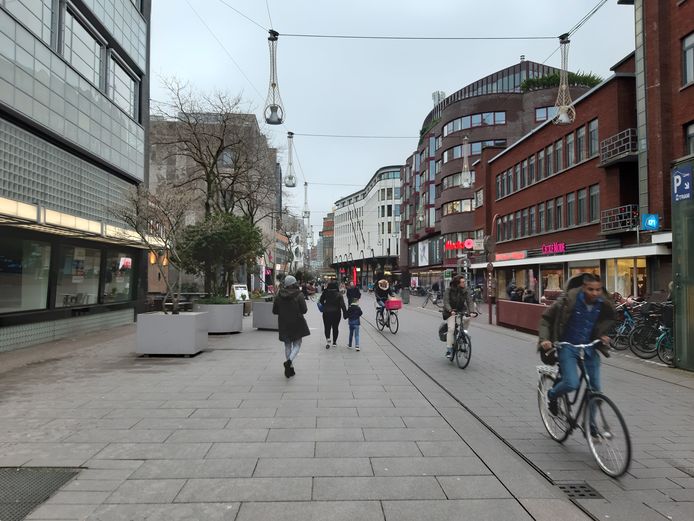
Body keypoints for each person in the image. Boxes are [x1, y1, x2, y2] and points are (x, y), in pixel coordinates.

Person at [538, 273, 615, 418]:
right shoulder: (567, 300)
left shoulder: (603, 303)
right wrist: (545, 339)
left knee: (596, 391)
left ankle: (592, 429)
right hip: (567, 346)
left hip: (589, 347)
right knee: (572, 383)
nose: (595, 293)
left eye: (598, 290)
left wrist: (602, 335)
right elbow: (546, 319)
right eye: (590, 290)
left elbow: (606, 320)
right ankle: (552, 394)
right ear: (583, 288)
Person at [272, 275, 310, 378]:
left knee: (287, 345)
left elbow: (275, 311)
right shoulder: (299, 294)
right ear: (294, 283)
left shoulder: (279, 295)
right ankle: (289, 362)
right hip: (297, 322)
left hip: (284, 323)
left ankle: (289, 369)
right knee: (297, 344)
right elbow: (304, 310)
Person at [442, 275, 473, 359]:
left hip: (461, 310)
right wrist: (450, 310)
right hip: (450, 312)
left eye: (464, 282)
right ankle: (449, 349)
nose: (464, 283)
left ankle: (464, 333)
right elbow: (446, 301)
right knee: (451, 329)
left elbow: (469, 301)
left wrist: (472, 312)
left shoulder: (465, 290)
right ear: (457, 283)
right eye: (463, 282)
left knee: (467, 319)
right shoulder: (449, 290)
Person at [319, 281, 347, 348]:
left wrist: (325, 305)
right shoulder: (339, 294)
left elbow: (321, 301)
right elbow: (343, 305)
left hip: (326, 312)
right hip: (336, 313)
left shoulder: (325, 293)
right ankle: (334, 342)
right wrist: (345, 314)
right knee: (335, 327)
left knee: (327, 327)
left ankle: (328, 339)